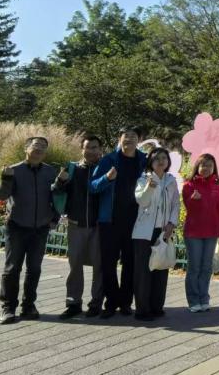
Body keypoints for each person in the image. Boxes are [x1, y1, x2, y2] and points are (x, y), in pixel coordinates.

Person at [0, 136, 60, 324]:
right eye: (35, 145)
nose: (39, 149)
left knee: (34, 269)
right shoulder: (14, 170)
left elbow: (56, 197)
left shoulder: (50, 172)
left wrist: (54, 218)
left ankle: (28, 305)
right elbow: (2, 196)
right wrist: (6, 178)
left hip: (40, 228)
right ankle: (8, 308)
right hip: (17, 226)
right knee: (12, 268)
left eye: (43, 147)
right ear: (26, 149)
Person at [52, 135, 107, 319]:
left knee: (99, 266)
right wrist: (60, 181)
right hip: (76, 224)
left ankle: (96, 303)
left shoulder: (105, 168)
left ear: (100, 149)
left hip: (98, 226)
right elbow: (57, 191)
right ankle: (73, 303)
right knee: (74, 266)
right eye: (87, 147)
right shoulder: (73, 168)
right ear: (81, 149)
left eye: (94, 147)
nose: (91, 151)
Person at [95, 127, 148, 318]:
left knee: (130, 263)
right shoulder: (108, 160)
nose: (129, 140)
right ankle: (111, 302)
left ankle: (125, 302)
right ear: (120, 139)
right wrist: (107, 178)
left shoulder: (144, 160)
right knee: (108, 263)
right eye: (126, 136)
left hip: (135, 220)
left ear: (138, 140)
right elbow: (93, 186)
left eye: (133, 136)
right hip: (110, 220)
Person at [131, 148, 179, 321]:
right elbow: (141, 201)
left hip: (163, 230)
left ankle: (157, 307)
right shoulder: (144, 179)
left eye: (164, 158)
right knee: (144, 271)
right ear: (150, 161)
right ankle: (142, 310)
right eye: (157, 158)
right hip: (144, 231)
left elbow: (176, 204)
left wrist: (172, 223)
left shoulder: (171, 180)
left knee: (160, 268)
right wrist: (149, 188)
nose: (161, 161)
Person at [182, 154, 219, 313]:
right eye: (203, 165)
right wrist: (194, 200)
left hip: (211, 232)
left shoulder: (217, 186)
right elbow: (189, 208)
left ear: (214, 168)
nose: (206, 168)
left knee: (207, 267)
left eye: (210, 165)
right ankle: (193, 300)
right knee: (194, 267)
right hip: (193, 232)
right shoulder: (189, 185)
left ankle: (204, 298)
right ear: (197, 167)